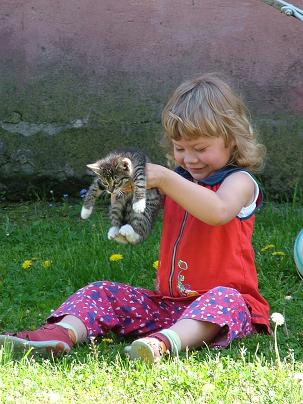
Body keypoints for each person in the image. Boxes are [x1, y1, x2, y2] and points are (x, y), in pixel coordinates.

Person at [0, 73, 270, 363]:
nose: (190, 159)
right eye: (180, 148)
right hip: (169, 305)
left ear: (231, 140)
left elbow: (217, 211)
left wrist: (165, 178)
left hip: (226, 310)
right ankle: (60, 334)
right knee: (101, 290)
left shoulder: (240, 181)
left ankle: (160, 345)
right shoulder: (179, 180)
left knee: (225, 299)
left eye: (201, 149)